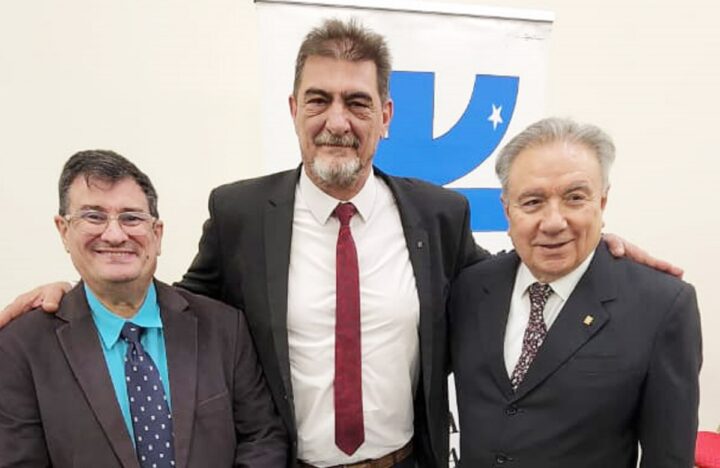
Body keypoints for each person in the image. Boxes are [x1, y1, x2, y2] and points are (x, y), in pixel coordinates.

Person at [0, 20, 681, 468]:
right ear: (292, 109)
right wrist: (82, 294)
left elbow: (509, 280)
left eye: (357, 102)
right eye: (318, 99)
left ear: (385, 115)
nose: (337, 121)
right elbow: (178, 308)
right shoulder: (241, 212)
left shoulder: (435, 213)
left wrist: (593, 250)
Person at [0, 150, 287, 467]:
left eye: (131, 218)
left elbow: (262, 440)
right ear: (64, 230)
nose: (114, 234)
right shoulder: (21, 348)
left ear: (157, 234)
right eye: (93, 216)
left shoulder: (224, 328)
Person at [449, 118, 702, 467]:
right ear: (507, 210)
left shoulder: (661, 306)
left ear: (602, 202)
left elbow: (669, 458)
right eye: (533, 202)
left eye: (574, 198)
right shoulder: (470, 288)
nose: (554, 222)